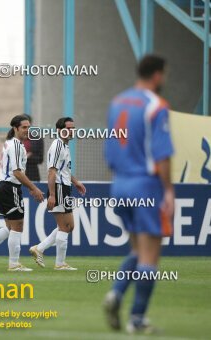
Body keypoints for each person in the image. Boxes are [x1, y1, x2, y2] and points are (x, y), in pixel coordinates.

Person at [103, 55, 174, 334]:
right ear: (157, 75)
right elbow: (163, 153)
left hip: (119, 184)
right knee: (150, 256)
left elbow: (109, 148)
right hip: (146, 184)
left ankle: (116, 294)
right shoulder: (157, 106)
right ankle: (136, 318)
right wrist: (168, 190)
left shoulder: (117, 102)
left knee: (136, 249)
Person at [0, 114, 44, 271]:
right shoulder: (16, 145)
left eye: (29, 127)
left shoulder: (9, 143)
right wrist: (33, 188)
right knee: (17, 227)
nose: (27, 130)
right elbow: (17, 172)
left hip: (3, 186)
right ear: (15, 128)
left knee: (10, 227)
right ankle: (14, 263)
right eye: (24, 127)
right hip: (10, 187)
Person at [28, 117, 86, 271]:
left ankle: (39, 248)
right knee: (64, 226)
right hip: (59, 188)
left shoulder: (65, 146)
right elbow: (52, 172)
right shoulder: (58, 145)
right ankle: (60, 263)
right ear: (60, 130)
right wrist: (52, 195)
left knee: (69, 226)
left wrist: (76, 182)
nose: (72, 131)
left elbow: (64, 170)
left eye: (73, 128)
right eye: (68, 128)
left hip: (65, 187)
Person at [24, 115, 44, 181]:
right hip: (16, 174)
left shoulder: (37, 139)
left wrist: (28, 157)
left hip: (32, 173)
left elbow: (40, 159)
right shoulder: (13, 141)